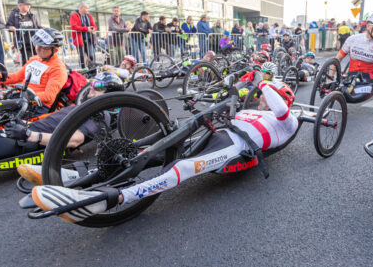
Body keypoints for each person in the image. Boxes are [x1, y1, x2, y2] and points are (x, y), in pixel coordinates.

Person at [27, 70, 300, 223]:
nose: (263, 98)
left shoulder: (287, 120)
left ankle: (105, 200)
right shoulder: (254, 110)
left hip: (237, 145)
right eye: (264, 96)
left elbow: (277, 105)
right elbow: (233, 101)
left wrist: (265, 82)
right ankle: (76, 176)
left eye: (270, 96)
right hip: (221, 132)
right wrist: (241, 82)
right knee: (155, 150)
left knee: (180, 168)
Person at [0, 73, 122, 178]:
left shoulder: (101, 114)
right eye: (92, 83)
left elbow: (76, 140)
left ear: (109, 94)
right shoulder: (82, 107)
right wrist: (21, 123)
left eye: (98, 86)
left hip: (29, 140)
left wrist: (29, 135)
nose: (91, 88)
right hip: (28, 130)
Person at [0, 28, 67, 114]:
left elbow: (48, 96)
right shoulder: (34, 59)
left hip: (36, 105)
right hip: (20, 99)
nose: (38, 49)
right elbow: (17, 77)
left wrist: (16, 97)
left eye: (43, 47)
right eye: (37, 45)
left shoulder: (58, 68)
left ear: (55, 50)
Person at [336, 12, 373, 113]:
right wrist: (330, 79)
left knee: (351, 97)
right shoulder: (353, 39)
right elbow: (337, 59)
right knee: (340, 91)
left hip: (368, 79)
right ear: (368, 26)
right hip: (351, 75)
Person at [6, 0, 42, 65]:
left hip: (34, 41)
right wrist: (11, 27)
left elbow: (37, 26)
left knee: (37, 58)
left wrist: (43, 28)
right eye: (26, 5)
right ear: (20, 5)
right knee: (26, 60)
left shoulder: (32, 15)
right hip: (22, 42)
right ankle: (26, 73)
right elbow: (8, 25)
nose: (29, 7)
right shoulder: (14, 15)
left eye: (29, 5)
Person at [70, 2, 97, 68]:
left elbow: (94, 26)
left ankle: (91, 69)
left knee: (91, 55)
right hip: (80, 40)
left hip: (89, 39)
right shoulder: (74, 15)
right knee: (82, 57)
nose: (88, 9)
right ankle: (84, 70)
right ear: (81, 8)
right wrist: (86, 29)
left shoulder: (89, 16)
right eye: (87, 8)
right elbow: (74, 27)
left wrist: (93, 29)